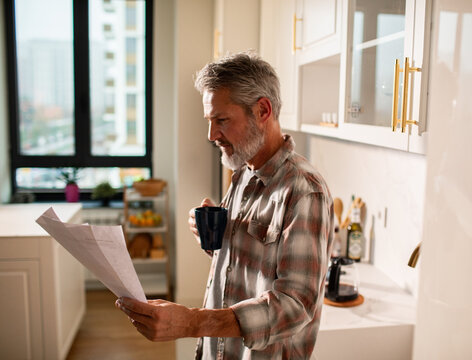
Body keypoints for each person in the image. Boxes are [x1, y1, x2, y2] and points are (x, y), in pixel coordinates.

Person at [116, 52, 334, 359]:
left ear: (262, 110)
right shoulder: (242, 173)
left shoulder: (304, 191)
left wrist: (192, 322)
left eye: (222, 120)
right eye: (210, 121)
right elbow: (244, 263)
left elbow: (295, 306)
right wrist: (211, 239)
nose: (211, 135)